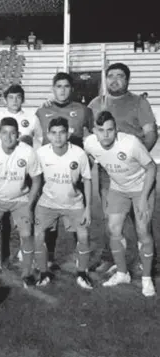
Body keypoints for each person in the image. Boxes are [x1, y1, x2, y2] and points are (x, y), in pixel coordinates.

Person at [88, 63, 158, 273]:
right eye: (111, 76)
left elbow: (151, 133)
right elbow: (86, 132)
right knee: (111, 217)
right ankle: (109, 258)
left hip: (137, 171)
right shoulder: (95, 103)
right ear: (105, 79)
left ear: (127, 80)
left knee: (141, 216)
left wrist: (134, 159)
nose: (115, 80)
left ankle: (150, 260)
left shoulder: (139, 102)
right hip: (108, 172)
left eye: (120, 76)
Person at [84, 111, 157, 297]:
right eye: (101, 130)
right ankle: (123, 273)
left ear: (116, 130)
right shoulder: (90, 143)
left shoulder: (131, 143)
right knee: (114, 229)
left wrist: (142, 198)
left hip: (142, 187)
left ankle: (147, 279)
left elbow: (151, 167)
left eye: (110, 130)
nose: (106, 135)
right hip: (119, 188)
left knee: (142, 230)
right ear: (94, 131)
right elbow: (92, 159)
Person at [0, 117, 42, 285]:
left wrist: (29, 205)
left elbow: (36, 180)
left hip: (20, 199)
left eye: (12, 133)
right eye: (4, 133)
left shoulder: (27, 152)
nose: (8, 137)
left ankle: (26, 274)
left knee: (27, 235)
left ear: (18, 135)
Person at [32, 117, 93, 289]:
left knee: (83, 236)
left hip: (74, 203)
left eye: (62, 132)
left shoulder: (79, 154)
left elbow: (87, 180)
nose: (58, 137)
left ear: (68, 133)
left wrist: (88, 209)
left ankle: (82, 273)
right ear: (48, 135)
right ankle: (44, 273)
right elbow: (34, 179)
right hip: (47, 203)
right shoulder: (41, 153)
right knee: (38, 236)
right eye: (54, 133)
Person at [0, 84, 43, 148]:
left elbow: (40, 139)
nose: (14, 101)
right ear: (5, 100)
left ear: (23, 100)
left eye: (18, 97)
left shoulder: (32, 118)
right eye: (11, 97)